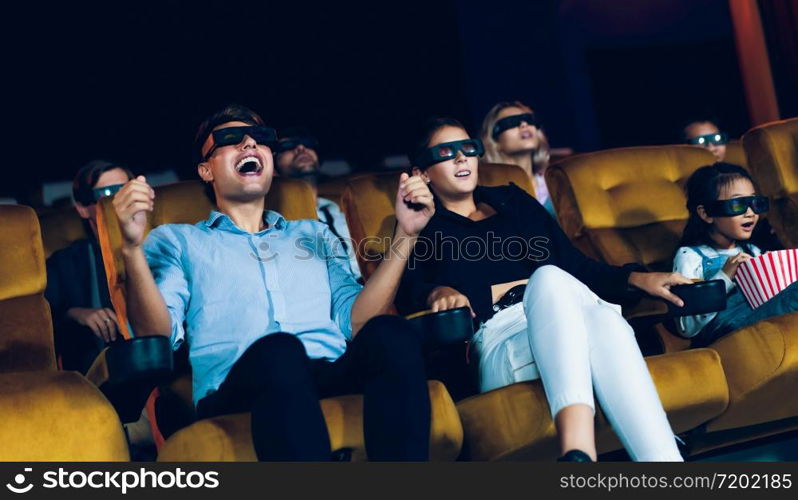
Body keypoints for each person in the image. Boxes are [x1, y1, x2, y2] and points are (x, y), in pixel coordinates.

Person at [112, 104, 435, 461]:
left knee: (392, 333)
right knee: (280, 352)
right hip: (237, 384)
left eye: (261, 139)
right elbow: (156, 334)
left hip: (326, 372)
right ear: (206, 170)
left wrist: (407, 235)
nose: (250, 143)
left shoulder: (314, 233)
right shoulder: (177, 240)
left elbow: (357, 320)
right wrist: (131, 248)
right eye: (230, 139)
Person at [396, 117, 691, 462]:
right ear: (423, 173)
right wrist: (436, 293)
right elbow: (409, 292)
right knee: (556, 284)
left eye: (468, 149)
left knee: (600, 317)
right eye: (446, 153)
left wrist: (639, 279)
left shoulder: (512, 201)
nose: (462, 159)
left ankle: (589, 457)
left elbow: (577, 267)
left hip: (572, 322)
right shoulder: (418, 225)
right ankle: (580, 448)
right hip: (504, 342)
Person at [673, 162, 795, 348]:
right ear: (706, 213)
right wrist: (724, 277)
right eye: (737, 204)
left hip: (767, 323)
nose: (750, 213)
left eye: (755, 203)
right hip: (726, 334)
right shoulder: (690, 256)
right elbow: (687, 326)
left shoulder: (753, 250)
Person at [45, 160, 133, 373]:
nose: (121, 199)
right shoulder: (65, 262)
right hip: (101, 370)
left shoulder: (166, 245)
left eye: (127, 190)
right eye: (109, 193)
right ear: (83, 209)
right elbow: (43, 318)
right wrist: (77, 313)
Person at [274, 127, 361, 280]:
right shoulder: (275, 219)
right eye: (288, 146)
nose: (301, 148)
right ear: (273, 167)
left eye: (308, 143)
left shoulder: (340, 210)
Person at [480, 100, 555, 216]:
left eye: (529, 119)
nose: (524, 124)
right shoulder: (487, 194)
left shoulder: (554, 184)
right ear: (495, 141)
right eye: (511, 122)